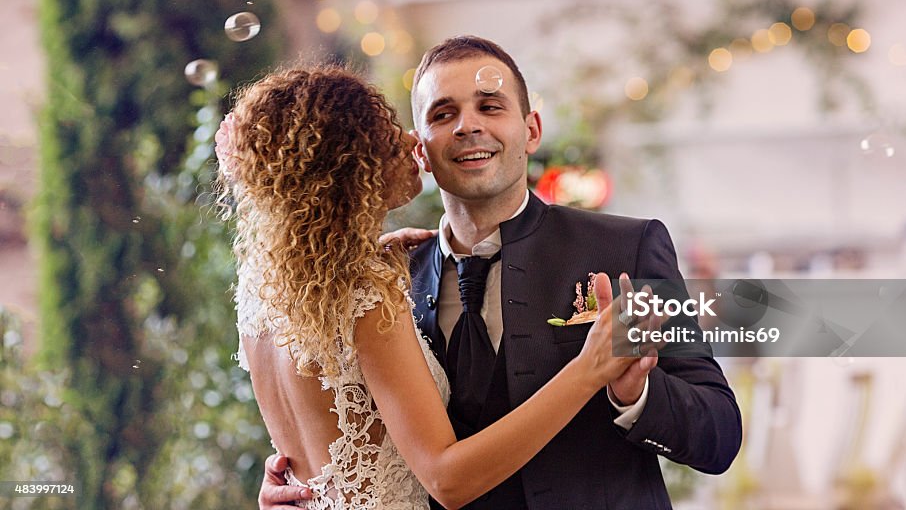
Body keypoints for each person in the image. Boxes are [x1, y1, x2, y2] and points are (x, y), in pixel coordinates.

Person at [259, 37, 743, 509]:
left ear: (531, 130)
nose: (468, 125)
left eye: (490, 106)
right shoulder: (390, 277)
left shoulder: (627, 248)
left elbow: (720, 434)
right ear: (419, 151)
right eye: (443, 114)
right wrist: (308, 488)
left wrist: (638, 394)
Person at [218, 64, 641, 510]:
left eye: (489, 106)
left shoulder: (269, 292)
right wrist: (590, 368)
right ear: (348, 163)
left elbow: (715, 425)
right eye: (388, 132)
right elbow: (447, 478)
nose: (410, 141)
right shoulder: (365, 294)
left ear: (531, 129)